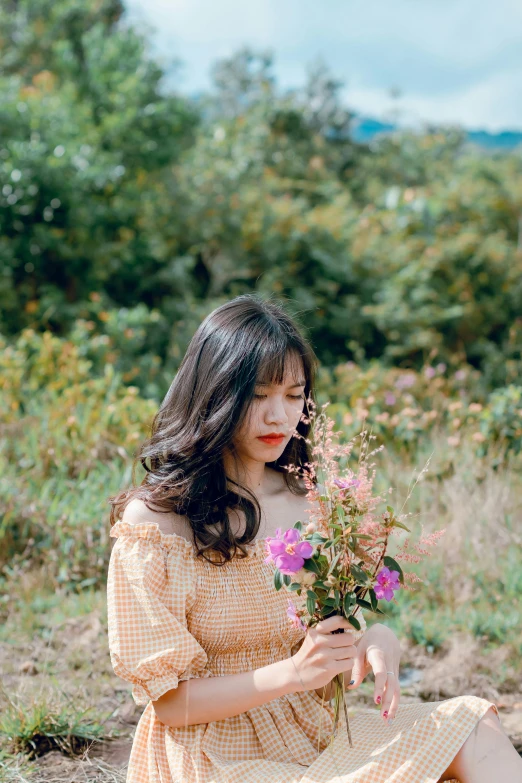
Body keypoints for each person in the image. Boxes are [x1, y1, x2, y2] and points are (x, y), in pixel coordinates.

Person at [106, 293, 521, 783]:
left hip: (310, 733)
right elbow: (171, 704)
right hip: (211, 754)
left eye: (293, 394)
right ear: (215, 394)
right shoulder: (155, 525)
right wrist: (293, 675)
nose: (279, 416)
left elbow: (325, 655)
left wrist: (372, 641)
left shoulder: (309, 502)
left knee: (473, 724)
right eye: (257, 396)